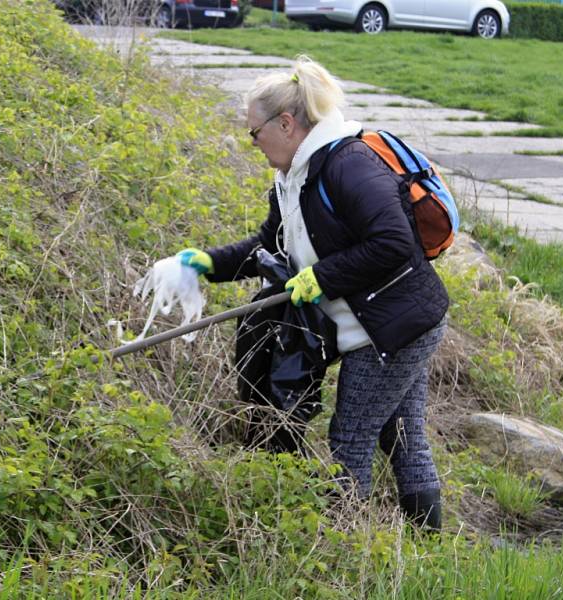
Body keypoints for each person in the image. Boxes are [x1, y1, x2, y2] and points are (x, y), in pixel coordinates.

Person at [175, 56, 448, 530]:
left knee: (350, 438)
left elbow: (393, 243)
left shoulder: (349, 164)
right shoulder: (291, 177)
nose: (253, 144)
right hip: (384, 321)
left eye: (254, 133)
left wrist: (323, 277)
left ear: (286, 123)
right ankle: (427, 547)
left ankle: (347, 549)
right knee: (401, 434)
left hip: (394, 326)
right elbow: (269, 245)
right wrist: (210, 264)